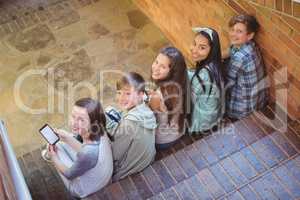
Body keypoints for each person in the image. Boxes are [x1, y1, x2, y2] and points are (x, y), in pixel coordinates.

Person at [42, 98, 113, 198]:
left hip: (84, 189)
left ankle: (49, 155)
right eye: (73, 116)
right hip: (101, 176)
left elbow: (69, 174)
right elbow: (84, 150)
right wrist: (67, 138)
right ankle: (53, 152)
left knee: (54, 147)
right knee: (61, 141)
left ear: (92, 122)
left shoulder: (88, 153)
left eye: (81, 119)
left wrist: (54, 157)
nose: (74, 123)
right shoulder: (99, 128)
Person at [107, 72, 157, 181]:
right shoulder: (144, 107)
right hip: (146, 159)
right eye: (119, 93)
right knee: (110, 111)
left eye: (127, 94)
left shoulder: (129, 124)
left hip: (130, 170)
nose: (121, 98)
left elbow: (114, 155)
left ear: (140, 94)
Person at [225, 14, 268, 119]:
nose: (233, 34)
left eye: (239, 31)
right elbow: (230, 50)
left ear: (250, 35)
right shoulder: (251, 45)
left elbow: (227, 83)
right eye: (233, 30)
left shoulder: (239, 58)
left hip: (243, 108)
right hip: (259, 100)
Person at [148, 46, 187, 149]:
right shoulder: (181, 83)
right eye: (156, 62)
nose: (156, 68)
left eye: (162, 67)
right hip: (179, 130)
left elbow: (149, 118)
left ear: (173, 72)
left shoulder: (158, 96)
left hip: (163, 140)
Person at [188, 27, 223, 133]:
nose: (194, 50)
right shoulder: (215, 64)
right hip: (214, 116)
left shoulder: (202, 76)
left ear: (212, 51)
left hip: (202, 123)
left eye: (202, 48)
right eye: (194, 44)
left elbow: (188, 98)